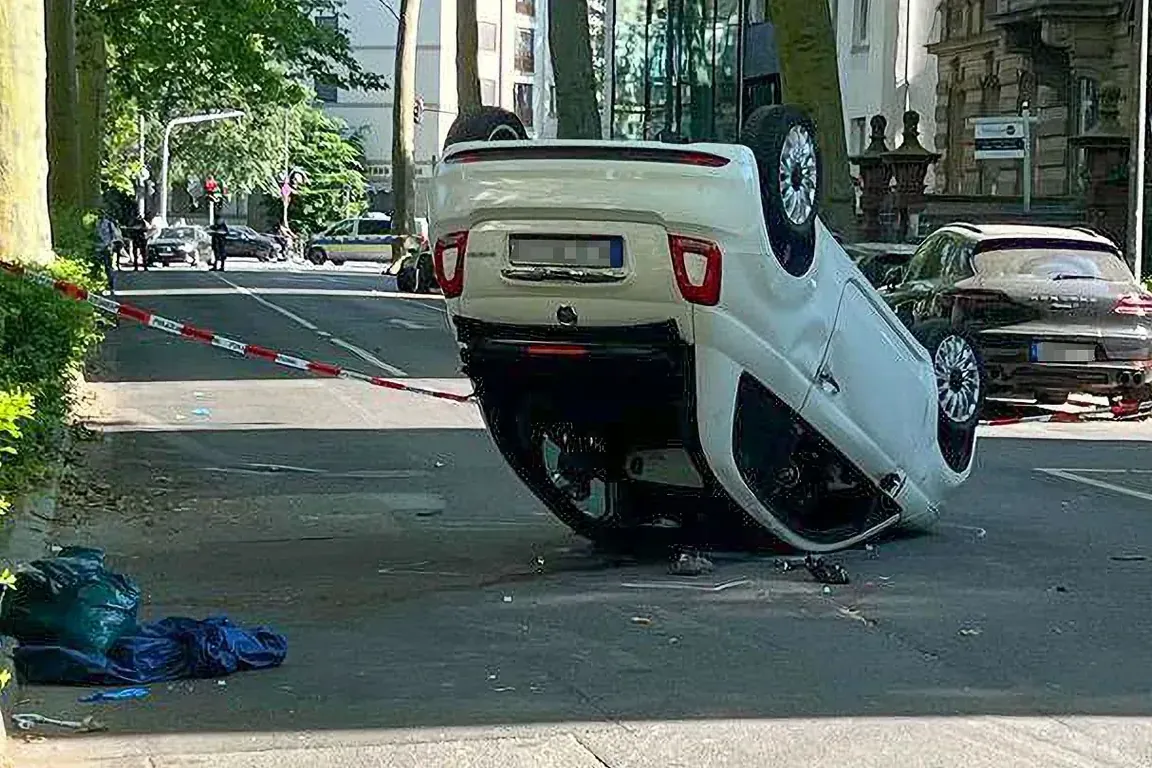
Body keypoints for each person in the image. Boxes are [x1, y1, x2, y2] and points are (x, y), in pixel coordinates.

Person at [94, 210, 121, 292]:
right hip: (96, 247)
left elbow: (115, 236)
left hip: (106, 248)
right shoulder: (94, 223)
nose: (100, 216)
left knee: (108, 267)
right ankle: (96, 284)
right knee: (96, 267)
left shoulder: (109, 224)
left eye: (101, 214)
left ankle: (111, 285)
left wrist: (111, 245)